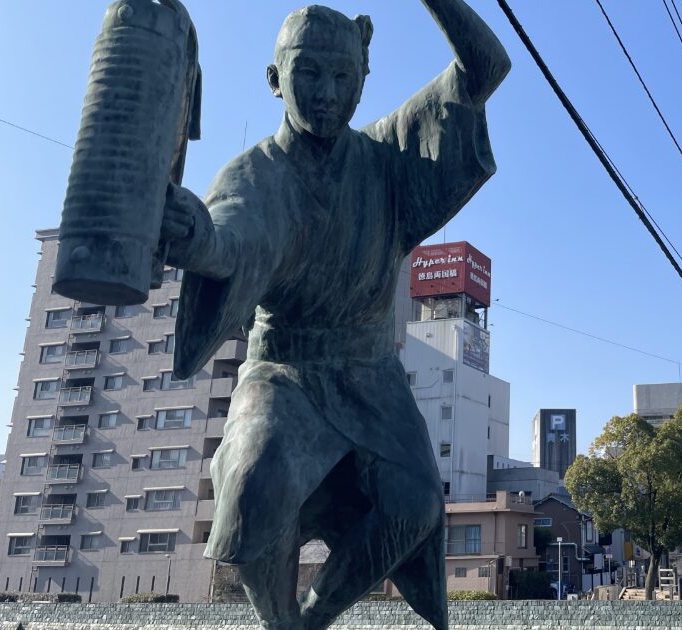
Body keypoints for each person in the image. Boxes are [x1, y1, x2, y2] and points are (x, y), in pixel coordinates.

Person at [159, 2, 510, 629]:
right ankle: (279, 622)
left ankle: (313, 618)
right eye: (309, 74)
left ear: (363, 77)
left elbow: (485, 68)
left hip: (371, 372)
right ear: (275, 79)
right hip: (284, 372)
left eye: (343, 78)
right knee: (257, 481)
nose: (326, 94)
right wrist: (194, 237)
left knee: (416, 502)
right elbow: (229, 239)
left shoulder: (384, 158)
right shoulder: (257, 174)